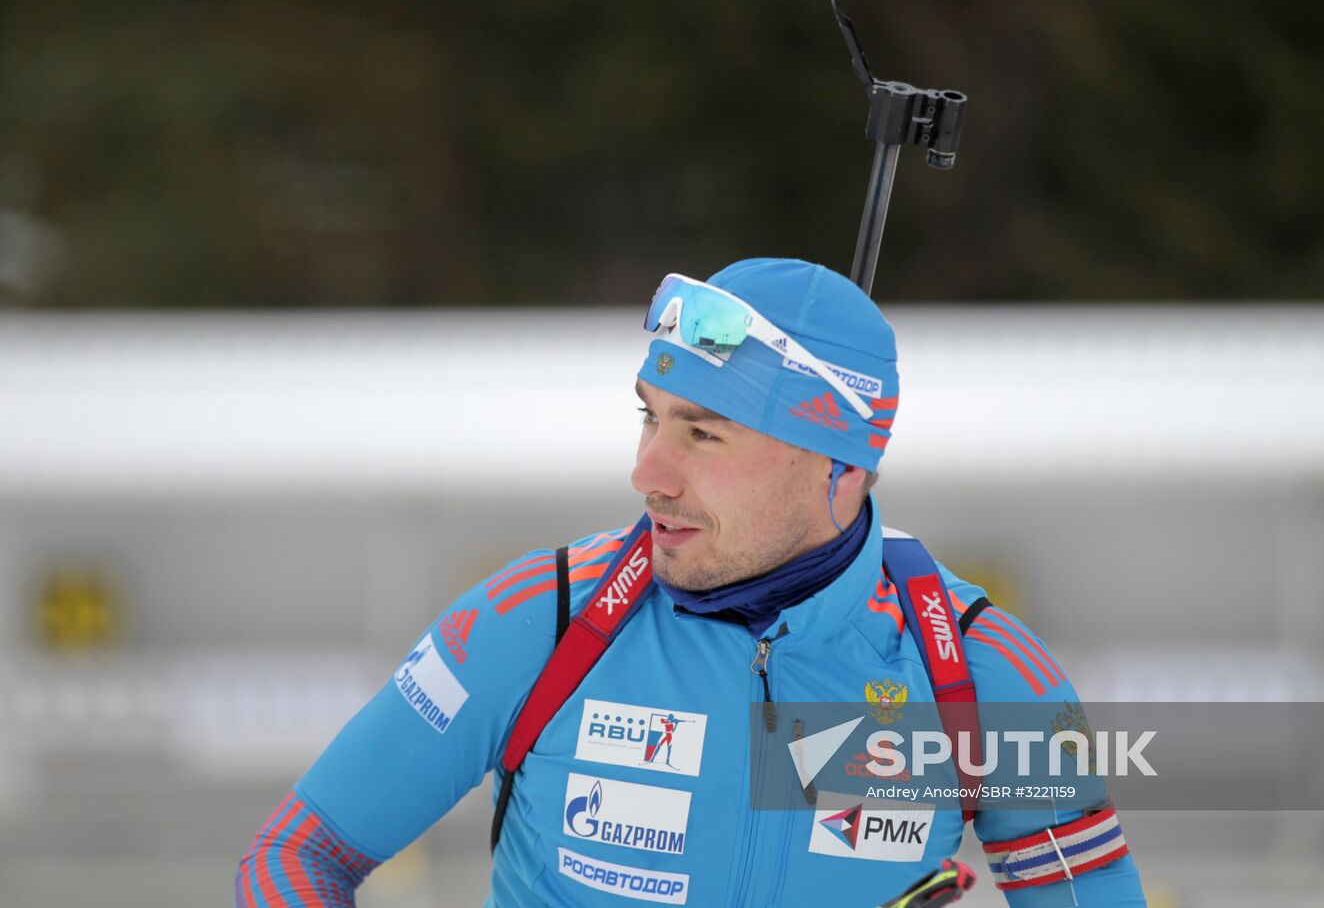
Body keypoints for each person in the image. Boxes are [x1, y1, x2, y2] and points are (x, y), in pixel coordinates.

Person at [235, 258, 1145, 906]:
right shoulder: (540, 623)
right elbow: (298, 857)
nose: (650, 474)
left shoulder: (979, 678)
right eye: (651, 419)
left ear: (841, 470)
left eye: (704, 434)